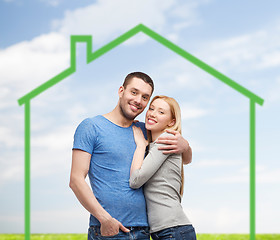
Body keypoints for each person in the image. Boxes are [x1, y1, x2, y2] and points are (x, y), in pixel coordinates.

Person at [70, 72, 192, 240]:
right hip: (108, 230)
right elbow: (76, 180)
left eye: (144, 97)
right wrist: (104, 219)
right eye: (134, 92)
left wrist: (185, 146)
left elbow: (183, 159)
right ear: (121, 91)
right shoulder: (91, 127)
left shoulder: (147, 130)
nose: (138, 100)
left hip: (144, 231)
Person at [129, 95, 197, 240]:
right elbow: (187, 159)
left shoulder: (165, 140)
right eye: (151, 108)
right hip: (169, 230)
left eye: (161, 112)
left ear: (171, 122)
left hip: (172, 230)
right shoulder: (158, 144)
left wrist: (140, 145)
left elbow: (135, 180)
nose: (152, 113)